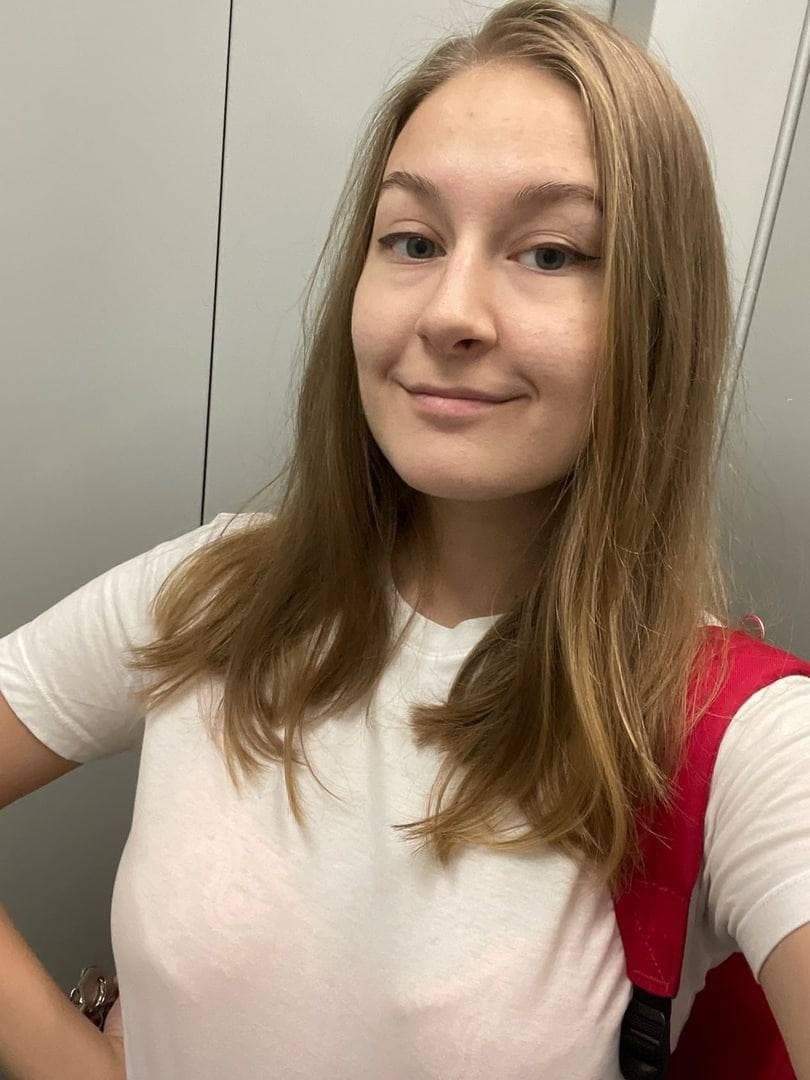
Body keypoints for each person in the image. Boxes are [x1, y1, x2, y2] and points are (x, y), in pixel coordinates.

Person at [1, 2, 809, 1078]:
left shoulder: (739, 736)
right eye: (414, 241)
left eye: (552, 252)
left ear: (659, 319)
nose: (449, 311)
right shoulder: (208, 592)